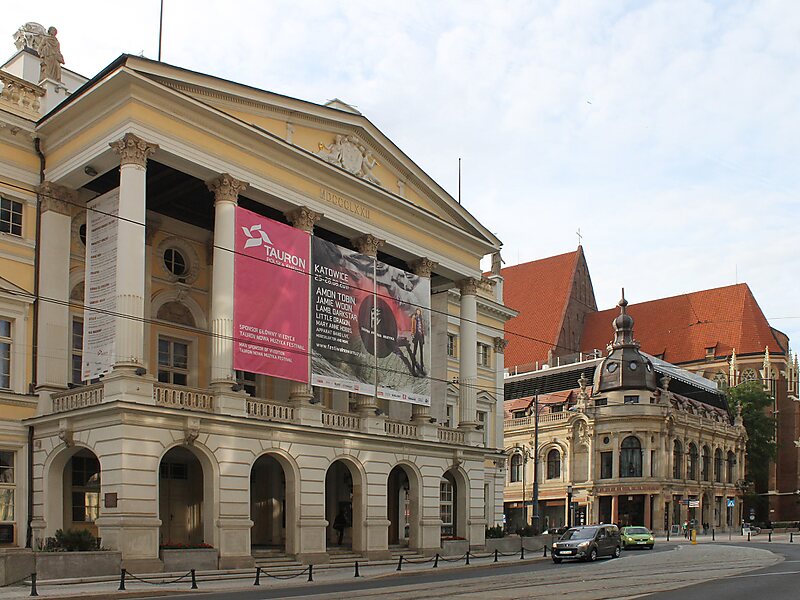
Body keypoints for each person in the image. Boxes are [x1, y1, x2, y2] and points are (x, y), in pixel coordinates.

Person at [410, 307, 426, 376]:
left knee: (421, 351)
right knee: (415, 351)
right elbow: (412, 327)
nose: (418, 312)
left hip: (420, 336)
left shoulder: (421, 319)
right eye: (417, 311)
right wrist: (412, 334)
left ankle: (422, 366)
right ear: (416, 312)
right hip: (416, 335)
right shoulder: (414, 318)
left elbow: (422, 328)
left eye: (419, 311)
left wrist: (423, 338)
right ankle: (413, 367)